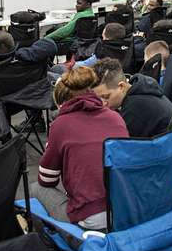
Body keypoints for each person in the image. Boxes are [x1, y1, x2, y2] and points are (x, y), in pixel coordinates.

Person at [37, 67, 128, 229]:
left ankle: (52, 247)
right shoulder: (116, 117)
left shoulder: (60, 125)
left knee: (35, 189)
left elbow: (46, 179)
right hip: (126, 208)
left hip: (91, 218)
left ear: (61, 104)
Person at [92, 58, 172, 138]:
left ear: (121, 86)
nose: (103, 103)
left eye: (106, 97)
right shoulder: (140, 86)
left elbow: (120, 144)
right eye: (98, 98)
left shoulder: (134, 109)